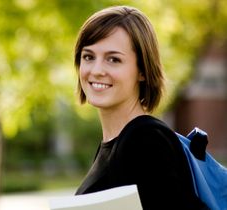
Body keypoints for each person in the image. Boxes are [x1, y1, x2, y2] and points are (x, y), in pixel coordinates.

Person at [73, 5, 209, 210]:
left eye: (113, 59)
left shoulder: (146, 141)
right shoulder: (116, 143)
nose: (97, 70)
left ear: (143, 71)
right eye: (89, 57)